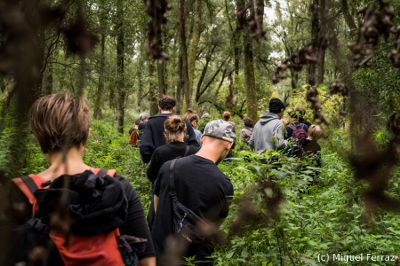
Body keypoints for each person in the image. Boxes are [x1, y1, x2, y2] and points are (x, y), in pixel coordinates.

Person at [4, 94, 155, 266]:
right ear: (87, 135)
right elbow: (148, 260)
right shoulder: (117, 185)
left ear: (37, 137)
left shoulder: (17, 193)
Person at [150, 120, 235, 265]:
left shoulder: (168, 167)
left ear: (201, 139)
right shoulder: (225, 185)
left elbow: (157, 210)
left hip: (162, 255)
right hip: (197, 259)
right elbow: (214, 227)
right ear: (229, 145)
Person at [139, 96, 199, 163]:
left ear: (159, 107)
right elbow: (194, 145)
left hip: (159, 165)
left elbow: (145, 147)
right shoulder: (183, 122)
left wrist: (149, 160)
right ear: (174, 108)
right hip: (182, 165)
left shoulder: (150, 123)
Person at [146, 115, 200, 184]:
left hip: (167, 192)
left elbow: (151, 176)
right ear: (184, 130)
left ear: (166, 131)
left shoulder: (160, 152)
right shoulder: (195, 151)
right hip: (190, 191)